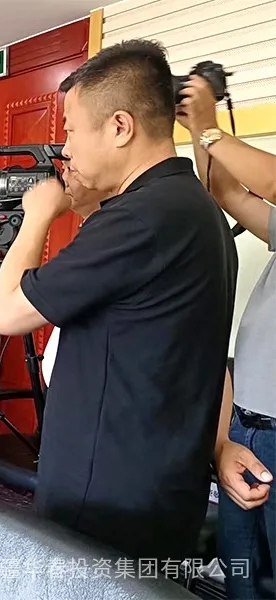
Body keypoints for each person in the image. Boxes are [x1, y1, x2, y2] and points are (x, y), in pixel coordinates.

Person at [0, 39, 238, 565]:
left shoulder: (138, 219)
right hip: (161, 489)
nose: (66, 149)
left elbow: (6, 313)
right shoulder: (197, 210)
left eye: (72, 130)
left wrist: (39, 213)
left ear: (120, 126)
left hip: (103, 501)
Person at [179, 75, 275, 597]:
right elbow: (226, 192)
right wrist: (199, 129)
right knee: (242, 579)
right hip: (246, 430)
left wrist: (210, 128)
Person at [40, 162, 107, 387]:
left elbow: (8, 314)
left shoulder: (109, 239)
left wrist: (37, 216)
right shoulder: (91, 230)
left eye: (71, 168)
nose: (63, 176)